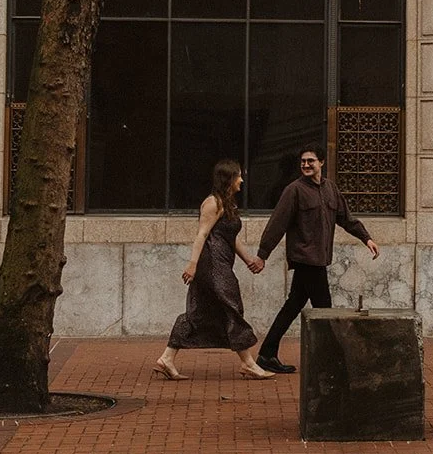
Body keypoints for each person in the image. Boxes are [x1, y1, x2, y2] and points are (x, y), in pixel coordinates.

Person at [253, 147, 380, 374]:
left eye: (311, 161)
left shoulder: (330, 189)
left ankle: (267, 353)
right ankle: (328, 360)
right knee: (324, 310)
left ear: (321, 162)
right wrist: (263, 255)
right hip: (305, 258)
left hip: (320, 258)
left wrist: (366, 238)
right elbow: (277, 224)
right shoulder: (294, 190)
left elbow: (346, 219)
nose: (306, 165)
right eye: (303, 161)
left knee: (293, 305)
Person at [154, 159, 275, 381]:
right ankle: (248, 363)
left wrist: (249, 259)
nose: (242, 180)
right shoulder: (213, 203)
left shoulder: (226, 203)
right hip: (212, 266)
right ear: (228, 178)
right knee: (232, 306)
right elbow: (201, 234)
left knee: (200, 313)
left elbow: (231, 237)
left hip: (220, 263)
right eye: (238, 175)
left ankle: (167, 358)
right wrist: (192, 264)